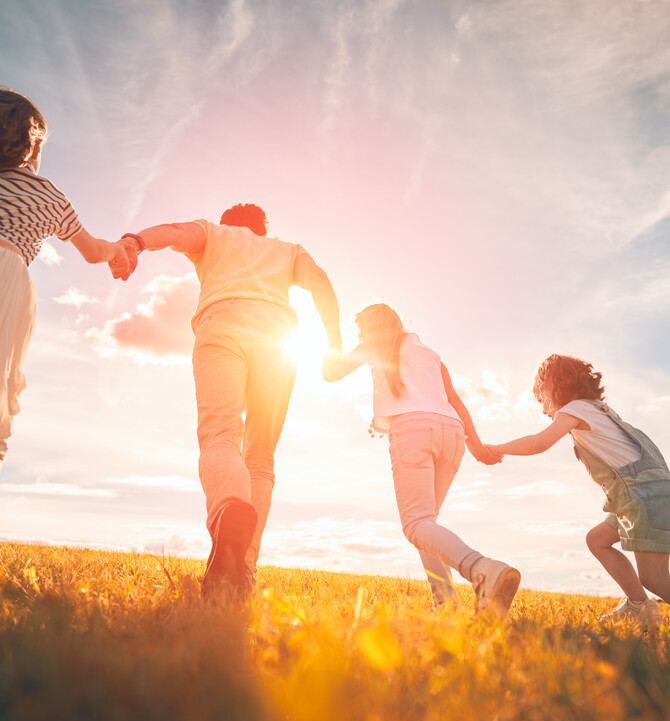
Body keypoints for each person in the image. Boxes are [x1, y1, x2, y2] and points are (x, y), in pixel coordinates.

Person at [116, 204, 342, 598]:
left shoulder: (213, 234)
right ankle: (245, 569)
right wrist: (334, 347)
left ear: (227, 224)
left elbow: (170, 231)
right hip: (277, 340)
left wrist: (135, 242)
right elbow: (321, 282)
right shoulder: (286, 250)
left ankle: (229, 509)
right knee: (260, 459)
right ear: (262, 228)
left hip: (224, 325)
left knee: (220, 435)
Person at [322, 303, 521, 619]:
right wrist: (476, 444)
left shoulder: (372, 346)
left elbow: (329, 373)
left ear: (368, 330)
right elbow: (454, 400)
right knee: (427, 523)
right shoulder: (431, 355)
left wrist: (333, 337)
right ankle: (445, 603)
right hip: (453, 433)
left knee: (416, 524)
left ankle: (483, 570)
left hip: (413, 431)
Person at [0, 87, 132, 468]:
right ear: (32, 147)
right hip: (9, 276)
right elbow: (93, 251)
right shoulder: (50, 196)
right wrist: (118, 250)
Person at [487, 354, 670, 625]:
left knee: (654, 577)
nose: (543, 409)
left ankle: (640, 603)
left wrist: (496, 449)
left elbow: (540, 443)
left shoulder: (575, 409)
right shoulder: (599, 409)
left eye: (542, 398)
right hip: (644, 492)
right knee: (597, 539)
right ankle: (639, 605)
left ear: (556, 385)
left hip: (641, 495)